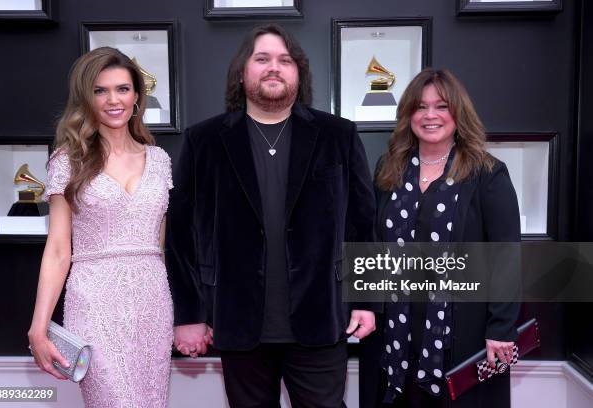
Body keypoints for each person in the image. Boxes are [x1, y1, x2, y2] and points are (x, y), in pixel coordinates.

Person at [166, 23, 376, 407]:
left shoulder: (338, 135)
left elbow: (363, 223)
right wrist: (189, 314)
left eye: (285, 60)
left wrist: (366, 300)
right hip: (238, 323)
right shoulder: (204, 141)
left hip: (322, 320)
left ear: (299, 72)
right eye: (262, 59)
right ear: (242, 72)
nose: (273, 67)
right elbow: (180, 235)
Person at [359, 68, 521, 408]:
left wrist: (501, 329)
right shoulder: (387, 170)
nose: (430, 115)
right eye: (420, 106)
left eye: (442, 107)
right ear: (408, 115)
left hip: (461, 339)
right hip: (395, 339)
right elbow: (371, 246)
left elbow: (506, 258)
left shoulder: (487, 174)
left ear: (458, 114)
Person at [27, 47, 174, 408]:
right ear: (85, 98)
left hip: (153, 301)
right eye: (100, 90)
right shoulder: (67, 160)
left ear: (137, 96)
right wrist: (38, 326)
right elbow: (59, 249)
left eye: (122, 89)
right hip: (94, 301)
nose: (113, 100)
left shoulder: (159, 161)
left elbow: (161, 242)